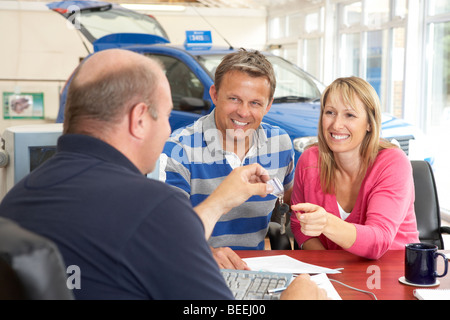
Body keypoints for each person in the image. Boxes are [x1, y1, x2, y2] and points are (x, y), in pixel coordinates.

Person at [0, 48, 326, 300]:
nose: (170, 129)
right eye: (167, 115)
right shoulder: (152, 207)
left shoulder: (14, 201)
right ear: (139, 119)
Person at [160, 48, 295, 269]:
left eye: (255, 103)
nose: (243, 112)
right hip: (193, 266)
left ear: (268, 105)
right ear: (214, 95)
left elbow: (288, 200)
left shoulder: (280, 144)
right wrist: (206, 253)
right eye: (234, 99)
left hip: (254, 271)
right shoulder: (178, 150)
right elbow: (164, 234)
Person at [290, 76, 419, 260]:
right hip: (335, 276)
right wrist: (328, 267)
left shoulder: (393, 163)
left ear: (369, 123)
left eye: (349, 115)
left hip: (393, 275)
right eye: (330, 112)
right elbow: (298, 224)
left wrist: (326, 222)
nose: (336, 125)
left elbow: (378, 241)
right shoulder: (309, 160)